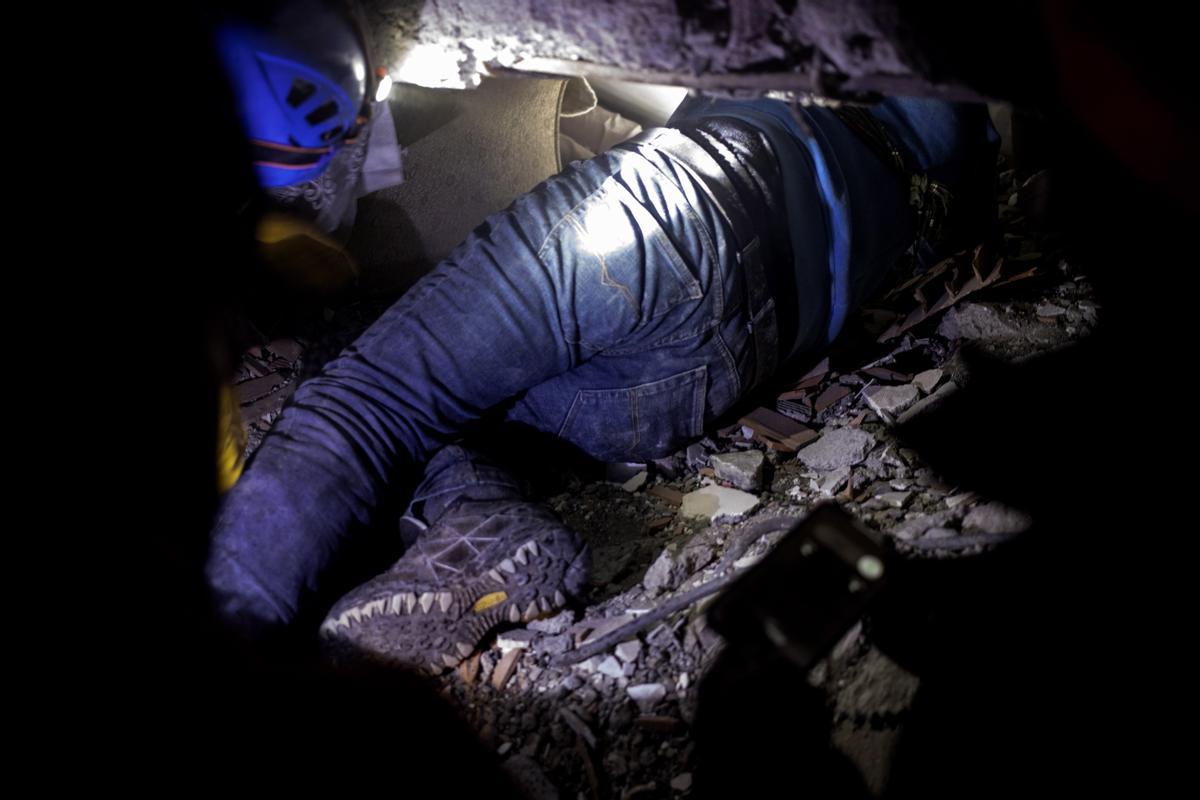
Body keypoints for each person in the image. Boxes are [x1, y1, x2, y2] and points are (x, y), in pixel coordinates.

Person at [207, 65, 999, 669]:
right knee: (444, 407)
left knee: (365, 395)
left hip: (685, 212)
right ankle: (475, 522)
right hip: (728, 363)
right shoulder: (963, 120)